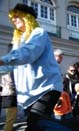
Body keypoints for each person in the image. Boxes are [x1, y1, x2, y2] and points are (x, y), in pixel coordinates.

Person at [0, 3, 63, 131]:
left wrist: (3, 60)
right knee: (36, 125)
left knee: (36, 125)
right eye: (12, 17)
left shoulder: (39, 33)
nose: (13, 19)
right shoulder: (18, 41)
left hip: (46, 87)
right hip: (29, 94)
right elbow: (12, 66)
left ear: (27, 17)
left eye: (17, 16)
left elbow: (29, 53)